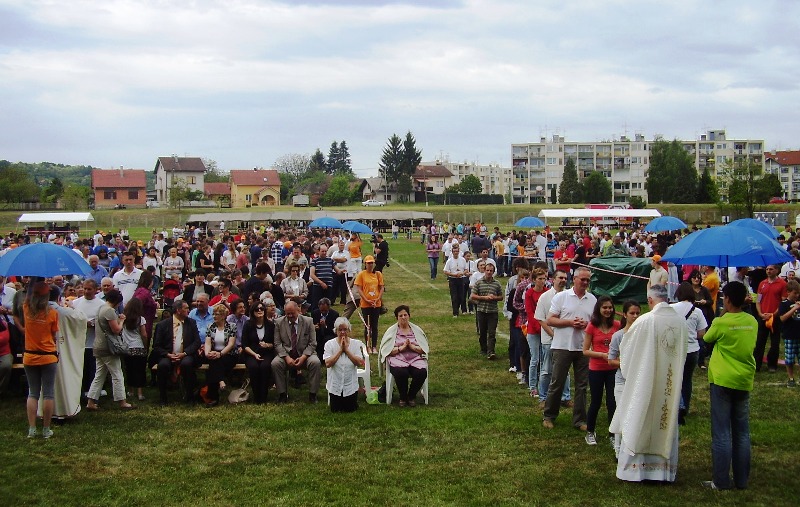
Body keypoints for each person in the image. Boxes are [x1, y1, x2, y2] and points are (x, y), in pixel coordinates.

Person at [609, 284, 687, 483]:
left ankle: (637, 471)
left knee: (640, 417)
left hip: (644, 381)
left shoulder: (644, 321)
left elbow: (627, 351)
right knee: (663, 416)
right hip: (668, 382)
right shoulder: (680, 321)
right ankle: (661, 471)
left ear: (650, 300)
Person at [701, 281, 757, 490]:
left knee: (722, 432)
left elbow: (706, 338)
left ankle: (721, 480)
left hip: (723, 379)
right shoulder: (752, 321)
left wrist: (722, 318)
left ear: (728, 299)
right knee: (742, 431)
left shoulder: (720, 322)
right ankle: (742, 480)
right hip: (744, 379)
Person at [543, 266, 595, 431]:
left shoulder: (592, 299)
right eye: (583, 279)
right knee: (557, 382)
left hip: (583, 347)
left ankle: (579, 420)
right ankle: (549, 415)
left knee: (581, 385)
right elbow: (550, 320)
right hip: (562, 346)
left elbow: (595, 323)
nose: (585, 282)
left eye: (588, 280)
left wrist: (586, 324)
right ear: (575, 279)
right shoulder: (562, 297)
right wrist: (570, 322)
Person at [22, 282, 60, 438]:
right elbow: (53, 335)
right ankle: (46, 429)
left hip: (30, 355)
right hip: (48, 355)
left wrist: (32, 284)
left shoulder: (26, 310)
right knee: (49, 394)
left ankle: (32, 428)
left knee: (33, 392)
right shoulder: (52, 313)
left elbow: (27, 297)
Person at [86, 289, 135, 411]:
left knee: (99, 375)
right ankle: (122, 401)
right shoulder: (109, 311)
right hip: (108, 348)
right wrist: (122, 320)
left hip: (97, 346)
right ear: (117, 301)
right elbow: (116, 330)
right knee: (117, 374)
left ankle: (91, 401)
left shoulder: (100, 308)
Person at [581, 295, 621, 446]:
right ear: (599, 309)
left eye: (610, 307)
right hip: (596, 369)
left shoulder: (617, 325)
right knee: (596, 402)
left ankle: (612, 434)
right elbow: (585, 351)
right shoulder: (592, 326)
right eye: (604, 307)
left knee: (612, 402)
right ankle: (590, 432)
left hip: (613, 369)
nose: (608, 310)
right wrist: (603, 355)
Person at [607, 300, 641, 458]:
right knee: (622, 413)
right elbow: (610, 359)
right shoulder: (618, 336)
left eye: (637, 313)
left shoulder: (642, 334)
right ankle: (618, 448)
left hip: (638, 380)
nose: (635, 316)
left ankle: (633, 447)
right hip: (622, 380)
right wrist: (625, 361)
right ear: (625, 314)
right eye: (632, 313)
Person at [671, 282, 708, 424]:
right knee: (687, 379)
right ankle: (685, 406)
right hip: (692, 350)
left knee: (675, 379)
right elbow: (701, 333)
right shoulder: (697, 311)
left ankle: (676, 406)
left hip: (675, 350)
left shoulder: (671, 308)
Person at [152, 300, 201, 406]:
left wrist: (185, 353)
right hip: (168, 354)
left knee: (187, 364)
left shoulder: (191, 323)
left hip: (186, 354)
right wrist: (168, 355)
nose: (189, 310)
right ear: (178, 310)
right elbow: (156, 346)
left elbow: (197, 342)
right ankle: (163, 397)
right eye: (186, 308)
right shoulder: (162, 325)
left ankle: (189, 396)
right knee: (163, 365)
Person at [271, 301, 321, 403]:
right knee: (275, 364)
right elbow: (277, 343)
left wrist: (303, 357)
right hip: (286, 354)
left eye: (292, 313)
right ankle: (282, 394)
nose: (290, 316)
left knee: (315, 363)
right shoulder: (279, 322)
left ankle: (313, 394)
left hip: (305, 354)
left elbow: (313, 343)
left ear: (298, 310)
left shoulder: (308, 321)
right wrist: (286, 357)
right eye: (287, 313)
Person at [379, 305, 429, 407]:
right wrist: (401, 348)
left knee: (421, 372)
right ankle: (402, 397)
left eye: (405, 315)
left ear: (409, 316)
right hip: (398, 359)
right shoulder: (391, 331)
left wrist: (412, 347)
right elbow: (386, 351)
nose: (403, 317)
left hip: (415, 358)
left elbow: (424, 349)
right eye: (400, 315)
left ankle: (411, 396)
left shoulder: (417, 330)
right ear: (396, 318)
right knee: (401, 372)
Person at [323, 317, 366, 412]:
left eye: (345, 329)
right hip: (335, 386)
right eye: (340, 330)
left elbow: (359, 363)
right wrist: (340, 350)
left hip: (350, 386)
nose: (342, 332)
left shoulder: (354, 344)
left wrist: (346, 350)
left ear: (349, 330)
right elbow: (328, 363)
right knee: (336, 410)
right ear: (336, 331)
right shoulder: (329, 344)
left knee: (350, 409)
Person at [203, 304, 238, 407]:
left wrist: (220, 353)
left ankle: (213, 397)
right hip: (214, 354)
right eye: (213, 314)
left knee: (214, 365)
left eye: (216, 314)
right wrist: (207, 353)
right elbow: (208, 342)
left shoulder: (232, 326)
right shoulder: (210, 326)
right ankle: (221, 381)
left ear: (223, 316)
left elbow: (231, 344)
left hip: (229, 354)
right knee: (214, 361)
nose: (214, 316)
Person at [754, 264, 787, 372]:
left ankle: (772, 364)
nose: (768, 271)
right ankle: (756, 364)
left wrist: (774, 314)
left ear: (777, 270)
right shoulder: (762, 283)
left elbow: (783, 302)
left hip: (775, 318)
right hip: (763, 316)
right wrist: (760, 313)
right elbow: (758, 300)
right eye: (767, 269)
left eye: (771, 269)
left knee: (775, 342)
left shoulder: (782, 284)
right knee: (760, 341)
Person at [242, 301, 275, 404]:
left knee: (265, 367)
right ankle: (257, 397)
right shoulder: (248, 325)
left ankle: (264, 396)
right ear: (252, 312)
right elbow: (244, 345)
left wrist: (267, 345)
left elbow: (275, 343)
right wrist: (254, 354)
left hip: (267, 353)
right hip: (251, 353)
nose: (260, 311)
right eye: (257, 309)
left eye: (262, 309)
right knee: (254, 367)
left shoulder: (270, 325)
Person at [471, 261, 503, 359]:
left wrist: (494, 297)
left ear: (493, 272)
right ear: (484, 271)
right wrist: (484, 298)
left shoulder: (497, 284)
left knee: (492, 332)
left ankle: (491, 351)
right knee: (483, 332)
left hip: (492, 311)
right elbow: (472, 296)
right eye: (487, 270)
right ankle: (483, 349)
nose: (489, 272)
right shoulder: (479, 282)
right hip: (481, 311)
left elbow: (501, 297)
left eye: (491, 271)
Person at [353, 255, 384, 354]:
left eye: (372, 263)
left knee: (374, 325)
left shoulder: (378, 274)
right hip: (365, 304)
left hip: (376, 304)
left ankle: (374, 346)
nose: (370, 265)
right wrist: (366, 299)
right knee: (367, 325)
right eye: (368, 263)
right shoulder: (362, 274)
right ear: (365, 264)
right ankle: (367, 345)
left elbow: (381, 287)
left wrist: (378, 299)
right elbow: (359, 288)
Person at [121, 297, 148, 401]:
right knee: (140, 370)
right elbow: (144, 334)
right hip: (138, 346)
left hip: (127, 348)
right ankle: (140, 393)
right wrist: (145, 346)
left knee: (129, 370)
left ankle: (131, 391)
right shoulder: (141, 319)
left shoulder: (123, 318)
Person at [778, 279, 800, 387]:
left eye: (798, 293)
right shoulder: (784, 304)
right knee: (790, 359)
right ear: (788, 292)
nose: (797, 295)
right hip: (789, 335)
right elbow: (782, 318)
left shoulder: (798, 303)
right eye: (795, 293)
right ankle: (791, 378)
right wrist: (794, 308)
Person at [443, 244, 468, 317]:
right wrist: (453, 275)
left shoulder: (462, 260)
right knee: (454, 297)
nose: (456, 253)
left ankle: (457, 308)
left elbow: (466, 269)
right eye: (454, 251)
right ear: (452, 252)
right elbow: (445, 271)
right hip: (453, 280)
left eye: (457, 251)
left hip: (461, 279)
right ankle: (455, 312)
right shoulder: (450, 261)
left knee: (461, 296)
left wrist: (462, 273)